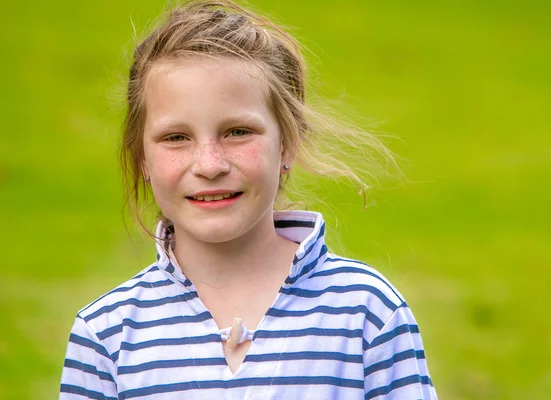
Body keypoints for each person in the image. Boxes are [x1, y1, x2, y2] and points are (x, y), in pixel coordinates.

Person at [59, 1, 437, 398]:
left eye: (237, 132)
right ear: (142, 158)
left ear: (288, 143)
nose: (209, 164)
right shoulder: (106, 334)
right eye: (176, 138)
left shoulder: (367, 312)